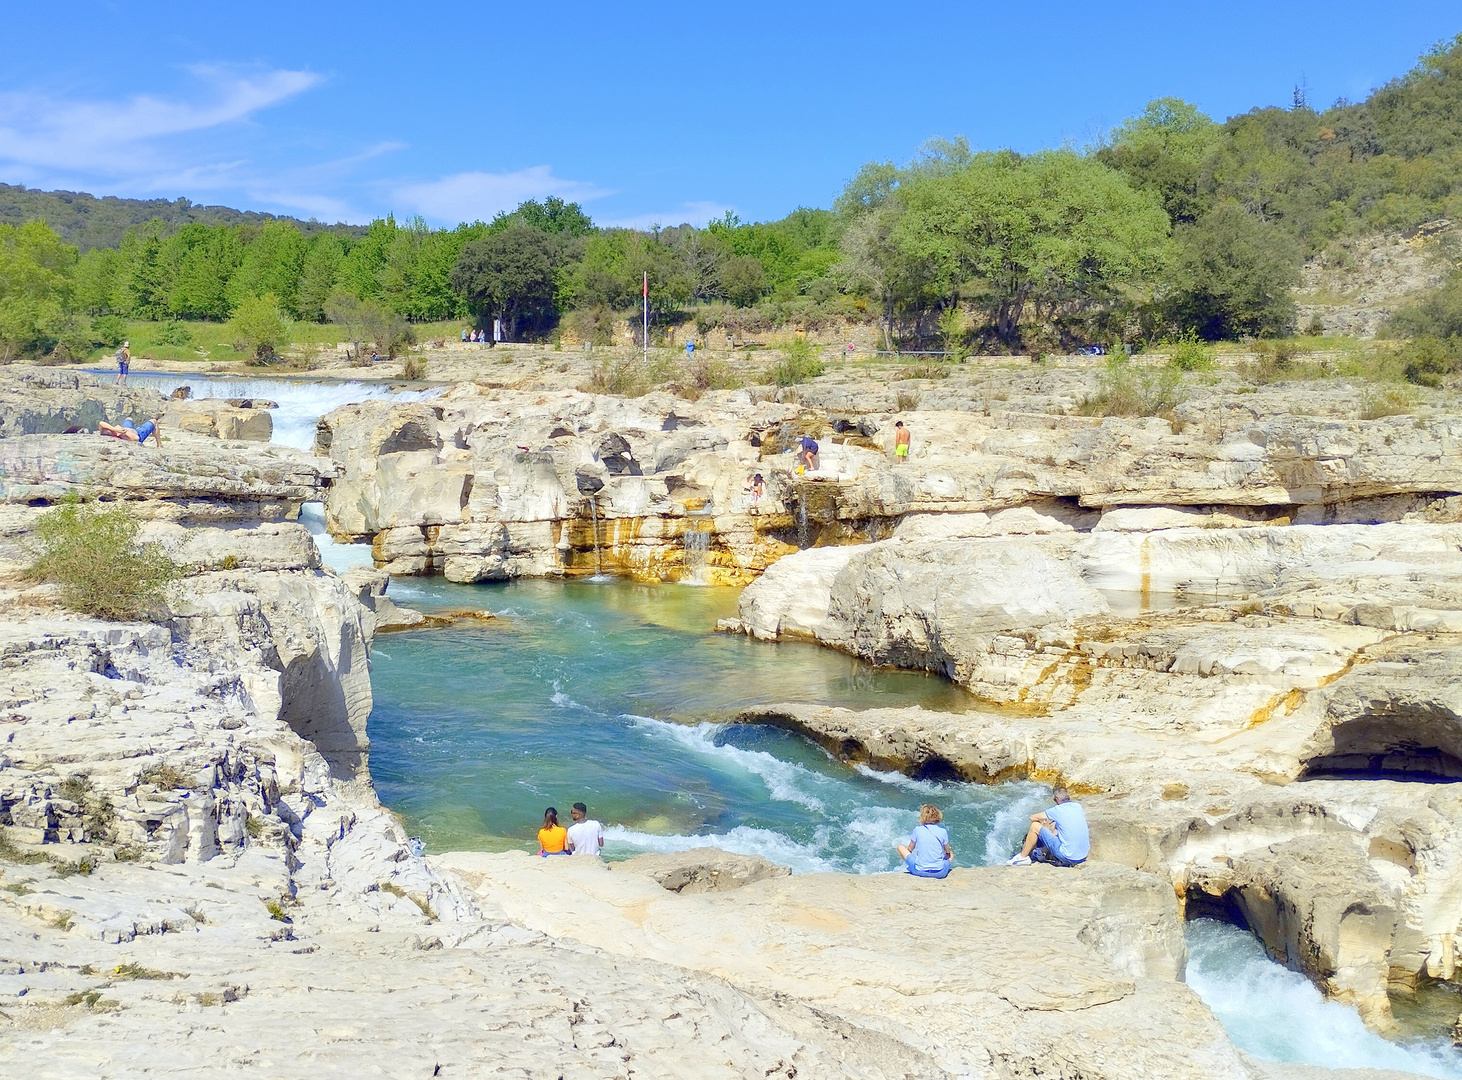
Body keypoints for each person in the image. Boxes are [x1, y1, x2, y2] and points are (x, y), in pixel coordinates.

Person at [1007, 786, 1089, 867]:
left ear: (1056, 799)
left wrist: (1044, 827)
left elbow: (1032, 817)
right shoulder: (1078, 806)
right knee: (1058, 828)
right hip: (1083, 855)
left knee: (1035, 826)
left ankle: (1023, 857)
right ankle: (1041, 852)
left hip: (1067, 856)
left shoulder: (1056, 810)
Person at [896, 804, 953, 878]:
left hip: (920, 871)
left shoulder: (917, 829)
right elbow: (947, 850)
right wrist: (946, 854)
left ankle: (910, 866)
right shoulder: (943, 831)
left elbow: (910, 849)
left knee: (900, 847)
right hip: (940, 873)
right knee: (951, 854)